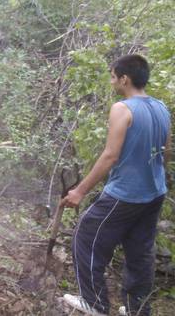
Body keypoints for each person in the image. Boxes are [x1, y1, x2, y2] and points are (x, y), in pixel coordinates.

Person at [61, 55, 171, 316]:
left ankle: (95, 303)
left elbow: (110, 155)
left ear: (125, 79)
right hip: (155, 192)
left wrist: (79, 191)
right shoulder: (161, 107)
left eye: (113, 76)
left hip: (126, 194)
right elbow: (165, 153)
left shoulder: (123, 108)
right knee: (140, 252)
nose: (112, 81)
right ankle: (137, 310)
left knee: (85, 237)